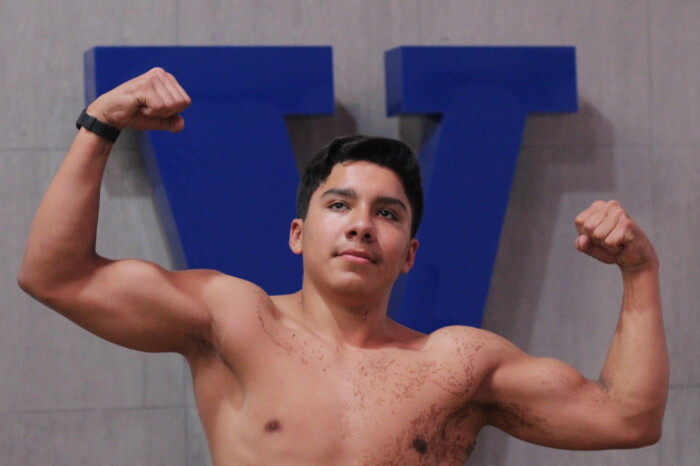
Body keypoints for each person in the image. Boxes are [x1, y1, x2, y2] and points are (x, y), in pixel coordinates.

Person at [18, 68, 668, 465]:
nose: (361, 222)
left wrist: (639, 273)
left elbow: (627, 419)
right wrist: (99, 123)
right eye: (340, 204)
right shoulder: (232, 320)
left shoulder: (459, 365)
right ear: (299, 234)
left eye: (388, 213)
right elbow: (56, 276)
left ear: (410, 254)